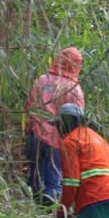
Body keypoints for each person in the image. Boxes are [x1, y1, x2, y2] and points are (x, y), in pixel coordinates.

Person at [24, 47, 85, 204]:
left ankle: (30, 215)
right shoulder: (74, 89)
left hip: (35, 135)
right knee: (53, 183)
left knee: (34, 180)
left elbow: (29, 106)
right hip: (58, 141)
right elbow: (78, 118)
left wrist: (29, 127)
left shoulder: (42, 80)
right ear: (76, 66)